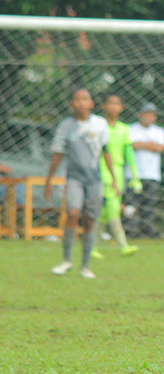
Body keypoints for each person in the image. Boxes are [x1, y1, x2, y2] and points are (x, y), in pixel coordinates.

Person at [46, 88, 118, 279]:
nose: (81, 103)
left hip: (94, 179)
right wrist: (49, 180)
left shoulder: (100, 124)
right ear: (71, 104)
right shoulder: (65, 126)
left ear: (91, 103)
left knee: (89, 219)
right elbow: (57, 154)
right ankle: (66, 260)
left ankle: (85, 266)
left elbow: (106, 152)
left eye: (85, 99)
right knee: (73, 212)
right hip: (74, 178)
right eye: (77, 99)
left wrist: (113, 179)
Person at [97, 93, 141, 255]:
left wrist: (135, 175)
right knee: (113, 208)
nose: (114, 107)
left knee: (104, 213)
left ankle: (92, 247)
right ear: (104, 106)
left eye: (117, 104)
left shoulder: (124, 129)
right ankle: (123, 245)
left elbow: (129, 152)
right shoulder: (99, 127)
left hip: (118, 172)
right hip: (101, 171)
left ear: (121, 107)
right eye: (110, 103)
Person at [127, 102, 164, 238]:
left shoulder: (159, 131)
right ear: (140, 115)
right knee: (132, 203)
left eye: (152, 114)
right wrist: (150, 145)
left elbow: (160, 147)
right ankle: (130, 231)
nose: (149, 117)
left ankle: (148, 231)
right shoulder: (130, 129)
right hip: (133, 174)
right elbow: (132, 145)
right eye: (147, 114)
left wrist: (141, 144)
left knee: (150, 204)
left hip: (152, 174)